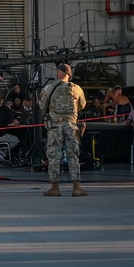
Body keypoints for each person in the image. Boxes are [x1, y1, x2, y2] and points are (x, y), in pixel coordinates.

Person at [39, 63, 87, 197]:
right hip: (71, 125)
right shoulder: (77, 89)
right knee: (73, 155)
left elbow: (42, 106)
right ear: (69, 75)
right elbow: (82, 105)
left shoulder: (49, 88)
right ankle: (76, 187)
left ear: (57, 73)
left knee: (54, 156)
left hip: (55, 126)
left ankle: (55, 188)